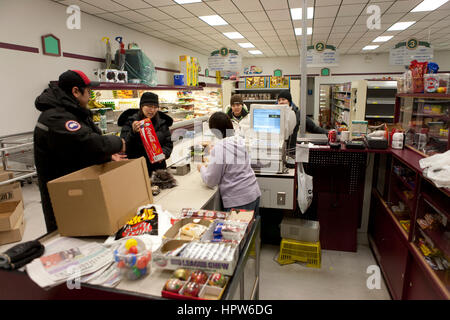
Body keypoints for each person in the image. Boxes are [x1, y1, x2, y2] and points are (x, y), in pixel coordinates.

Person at [34, 70, 126, 232]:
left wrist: (107, 156)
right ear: (76, 91)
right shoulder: (55, 118)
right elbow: (89, 144)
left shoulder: (72, 112)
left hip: (79, 189)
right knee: (68, 238)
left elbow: (79, 149)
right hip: (63, 197)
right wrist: (119, 142)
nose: (90, 95)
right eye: (88, 91)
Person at [197, 112, 261, 214]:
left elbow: (211, 180)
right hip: (253, 193)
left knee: (237, 229)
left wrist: (201, 168)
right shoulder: (240, 140)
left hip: (238, 200)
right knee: (251, 228)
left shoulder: (221, 147)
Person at [118, 92, 173, 176]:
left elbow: (168, 144)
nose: (152, 110)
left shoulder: (162, 123)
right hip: (138, 168)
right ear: (141, 106)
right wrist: (133, 132)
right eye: (149, 106)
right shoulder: (130, 121)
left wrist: (163, 154)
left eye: (155, 107)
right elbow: (124, 146)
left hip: (158, 169)